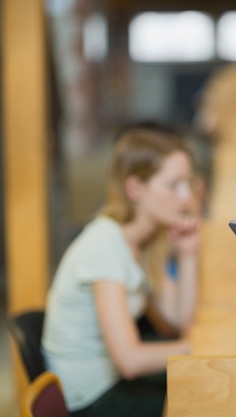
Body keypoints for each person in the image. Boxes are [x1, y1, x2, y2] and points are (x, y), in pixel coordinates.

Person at [42, 123, 202, 417]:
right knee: (204, 400)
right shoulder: (104, 247)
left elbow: (178, 320)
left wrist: (187, 253)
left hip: (115, 382)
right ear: (135, 189)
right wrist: (198, 347)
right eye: (173, 185)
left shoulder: (144, 241)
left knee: (204, 384)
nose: (186, 197)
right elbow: (129, 360)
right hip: (93, 399)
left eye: (187, 183)